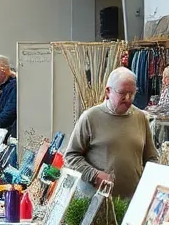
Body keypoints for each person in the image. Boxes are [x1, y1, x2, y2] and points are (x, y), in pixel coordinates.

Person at [64, 67, 157, 200]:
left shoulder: (140, 118)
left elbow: (151, 158)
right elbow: (71, 156)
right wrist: (94, 175)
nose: (128, 98)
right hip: (95, 202)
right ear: (108, 92)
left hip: (131, 202)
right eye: (122, 93)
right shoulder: (90, 117)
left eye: (132, 93)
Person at [0, 55, 18, 134]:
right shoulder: (3, 86)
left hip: (9, 133)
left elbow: (10, 113)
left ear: (2, 70)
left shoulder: (14, 85)